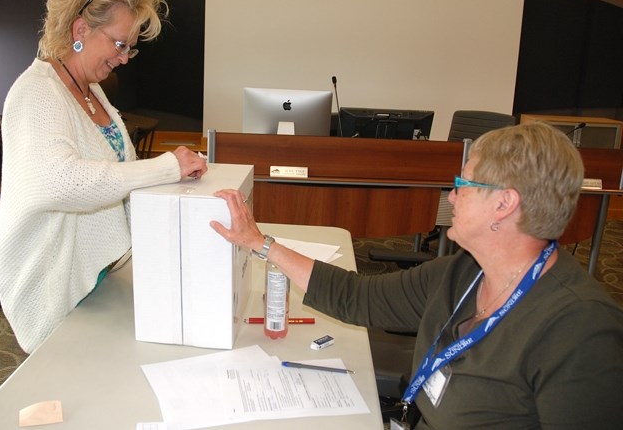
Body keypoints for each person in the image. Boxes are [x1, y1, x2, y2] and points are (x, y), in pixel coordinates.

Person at [210, 121, 623, 429]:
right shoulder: (463, 274)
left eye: (464, 182)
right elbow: (356, 297)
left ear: (504, 205)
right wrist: (259, 243)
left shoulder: (580, 330)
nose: (452, 195)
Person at [0, 0, 207, 354]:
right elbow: (64, 181)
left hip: (96, 271)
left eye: (130, 47)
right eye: (119, 43)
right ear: (80, 30)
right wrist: (164, 166)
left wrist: (172, 186)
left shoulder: (93, 92)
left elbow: (114, 172)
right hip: (50, 276)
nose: (124, 56)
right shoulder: (36, 91)